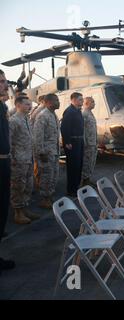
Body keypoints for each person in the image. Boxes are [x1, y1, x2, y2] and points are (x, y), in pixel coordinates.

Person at [9, 96, 40, 224]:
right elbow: (8, 141)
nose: (30, 106)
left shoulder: (26, 119)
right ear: (18, 105)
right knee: (18, 186)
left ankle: (25, 208)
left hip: (28, 158)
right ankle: (18, 213)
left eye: (30, 104)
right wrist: (12, 159)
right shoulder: (13, 121)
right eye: (27, 104)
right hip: (18, 161)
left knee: (28, 185)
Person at [0, 69, 16, 275]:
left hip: (4, 163)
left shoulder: (2, 106)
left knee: (2, 210)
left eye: (4, 81)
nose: (5, 85)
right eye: (1, 81)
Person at [33, 94, 61, 209]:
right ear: (48, 102)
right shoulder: (43, 116)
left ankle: (49, 196)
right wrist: (41, 152)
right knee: (46, 176)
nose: (58, 102)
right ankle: (44, 199)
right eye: (56, 100)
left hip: (54, 151)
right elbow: (38, 136)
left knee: (53, 175)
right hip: (46, 153)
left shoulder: (53, 115)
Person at [61, 92, 84, 197]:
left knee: (79, 165)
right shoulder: (69, 112)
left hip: (79, 141)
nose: (82, 102)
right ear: (73, 100)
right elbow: (65, 128)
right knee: (73, 166)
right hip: (72, 142)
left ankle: (76, 186)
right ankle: (71, 190)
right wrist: (67, 142)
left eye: (82, 100)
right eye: (80, 100)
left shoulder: (78, 111)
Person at [81, 97, 97, 187]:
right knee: (87, 162)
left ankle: (88, 179)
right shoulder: (84, 114)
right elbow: (82, 130)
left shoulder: (90, 113)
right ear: (86, 103)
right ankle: (84, 181)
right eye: (93, 102)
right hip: (88, 144)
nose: (94, 103)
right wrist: (84, 143)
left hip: (92, 143)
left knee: (91, 162)